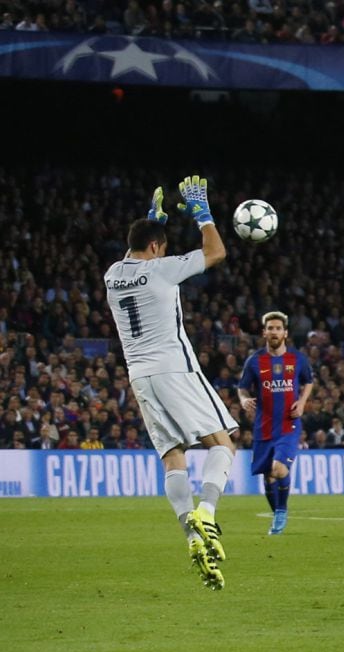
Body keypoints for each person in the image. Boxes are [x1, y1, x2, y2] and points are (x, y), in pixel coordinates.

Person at [104, 176, 238, 590]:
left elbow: (138, 258)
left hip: (140, 377)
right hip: (175, 368)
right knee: (223, 443)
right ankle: (208, 515)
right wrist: (202, 213)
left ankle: (192, 537)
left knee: (173, 456)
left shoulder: (111, 275)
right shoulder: (162, 269)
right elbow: (216, 252)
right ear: (158, 249)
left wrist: (153, 223)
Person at [237, 311, 313, 535]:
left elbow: (308, 381)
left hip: (288, 425)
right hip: (264, 426)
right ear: (264, 332)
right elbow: (242, 386)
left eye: (278, 328)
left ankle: (281, 511)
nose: (274, 332)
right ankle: (277, 518)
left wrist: (302, 402)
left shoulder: (297, 359)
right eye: (270, 328)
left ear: (285, 333)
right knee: (267, 475)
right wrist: (243, 400)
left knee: (278, 469)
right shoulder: (255, 361)